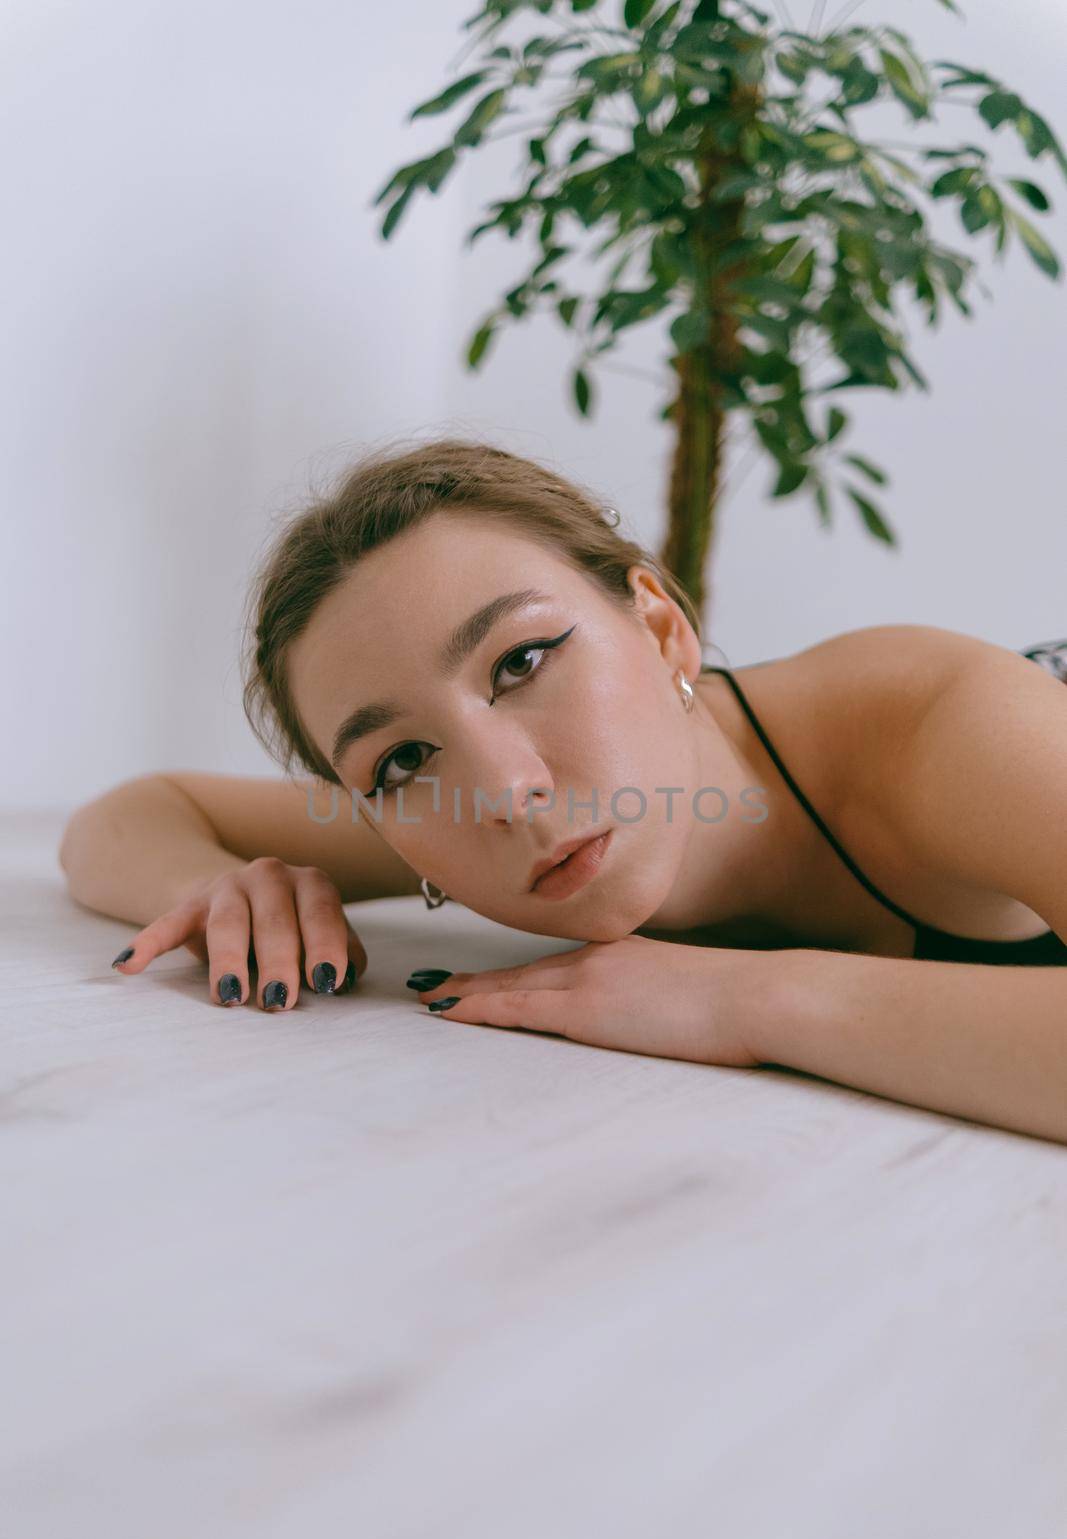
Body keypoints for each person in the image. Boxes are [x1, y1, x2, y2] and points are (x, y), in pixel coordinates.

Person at [59, 438, 1067, 1143]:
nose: (505, 790)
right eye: (401, 761)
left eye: (520, 661)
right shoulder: (457, 822)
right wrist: (227, 890)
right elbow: (127, 816)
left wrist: (749, 1000)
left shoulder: (950, 723)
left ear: (663, 628)